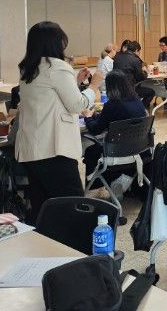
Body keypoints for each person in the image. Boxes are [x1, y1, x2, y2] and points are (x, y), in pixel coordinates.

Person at [15, 21, 104, 223]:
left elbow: (50, 97)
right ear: (56, 43)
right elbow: (77, 105)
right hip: (54, 148)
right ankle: (75, 243)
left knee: (42, 205)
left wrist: (75, 81)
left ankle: (42, 241)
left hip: (31, 149)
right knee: (73, 204)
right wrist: (93, 85)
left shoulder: (29, 68)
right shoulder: (57, 67)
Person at [82, 69, 147, 199]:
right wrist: (97, 116)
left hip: (116, 153)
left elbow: (95, 129)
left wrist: (88, 117)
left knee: (90, 150)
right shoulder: (138, 101)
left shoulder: (112, 105)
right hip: (138, 150)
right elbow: (109, 118)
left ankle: (94, 188)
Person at [113, 40, 155, 109]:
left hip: (117, 88)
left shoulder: (117, 57)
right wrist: (145, 73)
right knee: (151, 92)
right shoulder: (135, 60)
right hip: (129, 89)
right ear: (136, 50)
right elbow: (140, 78)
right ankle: (139, 109)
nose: (139, 54)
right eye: (139, 52)